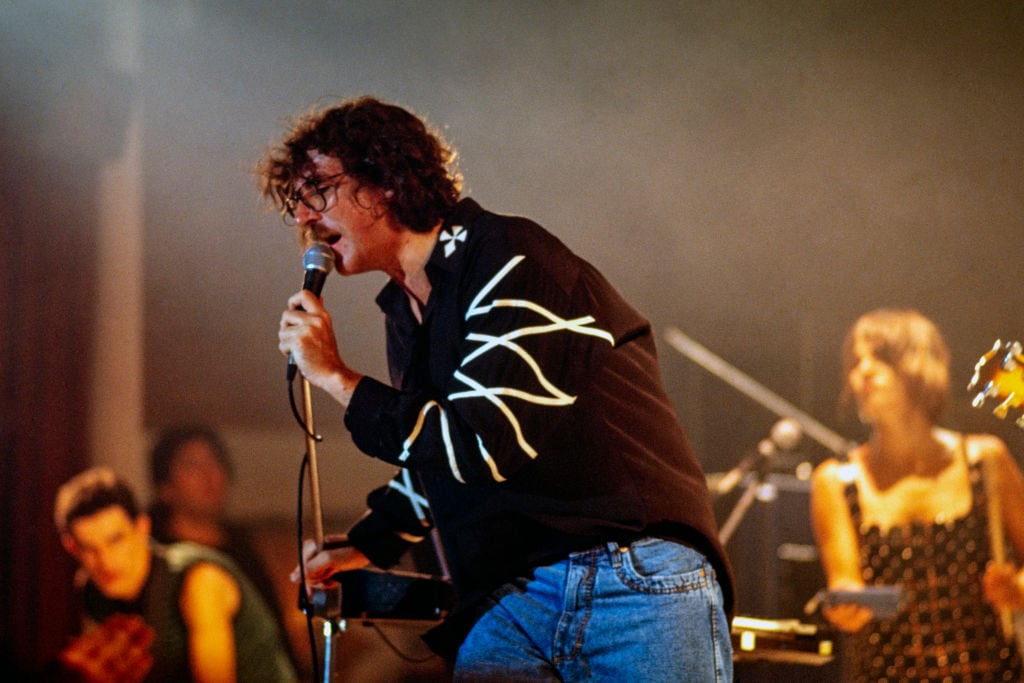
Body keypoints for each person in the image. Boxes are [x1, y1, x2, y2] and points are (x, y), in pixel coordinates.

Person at [260, 95, 734, 681]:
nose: (306, 218)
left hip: (627, 578)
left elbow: (484, 444)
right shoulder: (405, 311)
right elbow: (438, 455)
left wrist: (337, 377)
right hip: (509, 593)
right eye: (298, 203)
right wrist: (372, 542)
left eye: (319, 192)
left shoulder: (512, 260)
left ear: (384, 181)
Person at [810, 308, 1024, 681]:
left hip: (988, 671)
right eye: (855, 361)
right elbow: (845, 584)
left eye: (880, 356)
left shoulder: (986, 460)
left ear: (920, 363)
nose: (863, 370)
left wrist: (1016, 588)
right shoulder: (836, 480)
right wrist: (844, 606)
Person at [54, 467, 298, 683]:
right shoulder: (93, 592)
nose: (106, 560)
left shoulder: (200, 581)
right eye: (89, 548)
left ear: (142, 528)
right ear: (71, 547)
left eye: (116, 540)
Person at [146, 424, 299, 671]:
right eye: (192, 465)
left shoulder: (241, 550)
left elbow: (274, 634)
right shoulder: (154, 556)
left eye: (214, 461)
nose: (209, 475)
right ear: (165, 488)